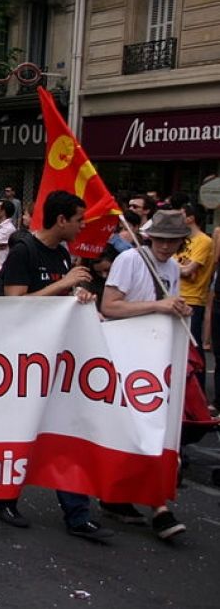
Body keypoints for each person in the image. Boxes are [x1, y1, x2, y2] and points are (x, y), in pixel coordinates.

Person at [0, 190, 113, 541]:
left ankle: (77, 514)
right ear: (61, 220)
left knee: (65, 430)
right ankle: (4, 499)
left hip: (58, 356)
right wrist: (65, 283)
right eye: (78, 220)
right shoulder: (24, 252)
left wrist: (78, 296)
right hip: (23, 360)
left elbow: (60, 299)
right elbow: (14, 304)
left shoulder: (61, 253)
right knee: (21, 432)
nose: (82, 226)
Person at [98, 209, 190, 539]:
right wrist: (158, 307)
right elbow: (109, 306)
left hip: (153, 358)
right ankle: (158, 507)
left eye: (172, 241)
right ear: (150, 237)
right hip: (126, 355)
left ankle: (121, 497)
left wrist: (178, 309)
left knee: (146, 428)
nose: (165, 246)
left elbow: (165, 305)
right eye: (160, 240)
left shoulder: (173, 268)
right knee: (143, 428)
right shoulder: (130, 260)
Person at [175, 203, 213, 391]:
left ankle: (199, 393)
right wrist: (181, 268)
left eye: (181, 214)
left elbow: (188, 270)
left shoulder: (204, 241)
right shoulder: (181, 240)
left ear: (191, 218)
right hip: (174, 296)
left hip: (193, 299)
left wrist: (177, 268)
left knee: (193, 347)